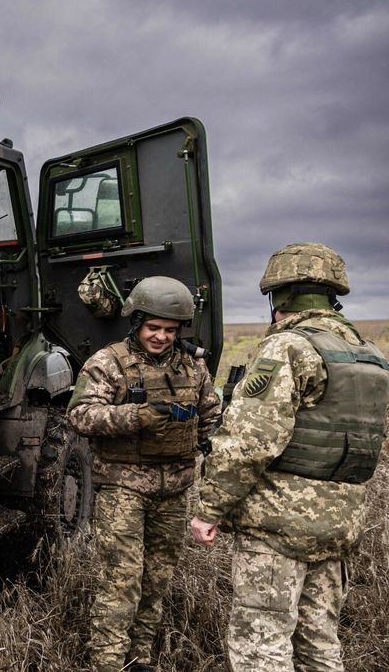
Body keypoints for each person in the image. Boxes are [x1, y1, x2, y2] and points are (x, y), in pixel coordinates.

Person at [191, 243, 389, 671]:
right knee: (320, 644)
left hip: (278, 526)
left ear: (279, 295)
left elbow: (250, 441)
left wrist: (209, 509)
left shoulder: (287, 347)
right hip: (339, 525)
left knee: (262, 645)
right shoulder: (370, 354)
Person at [68, 275, 221, 672]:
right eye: (154, 327)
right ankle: (107, 663)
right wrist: (135, 416)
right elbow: (80, 415)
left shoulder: (193, 365)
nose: (161, 337)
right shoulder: (109, 362)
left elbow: (210, 418)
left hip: (175, 488)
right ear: (136, 322)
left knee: (156, 580)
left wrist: (212, 451)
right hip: (124, 487)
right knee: (122, 581)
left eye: (170, 330)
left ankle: (140, 659)